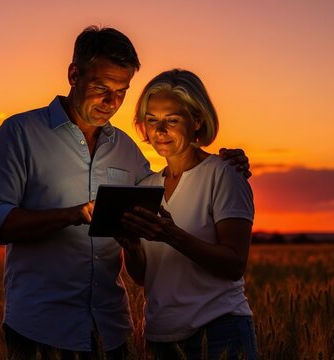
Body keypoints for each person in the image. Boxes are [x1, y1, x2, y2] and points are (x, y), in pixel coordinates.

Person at [0, 27, 250, 359]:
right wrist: (72, 214)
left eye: (121, 91)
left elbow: (179, 184)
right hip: (41, 329)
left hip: (110, 330)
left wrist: (225, 161)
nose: (111, 102)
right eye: (100, 88)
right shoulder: (21, 133)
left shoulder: (126, 149)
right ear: (74, 74)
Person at [117, 69, 258, 359]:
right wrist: (131, 250)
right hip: (160, 338)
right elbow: (145, 277)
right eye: (152, 120)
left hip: (219, 332)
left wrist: (172, 235)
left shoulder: (224, 174)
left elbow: (234, 264)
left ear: (197, 120)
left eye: (172, 119)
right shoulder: (147, 187)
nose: (159, 130)